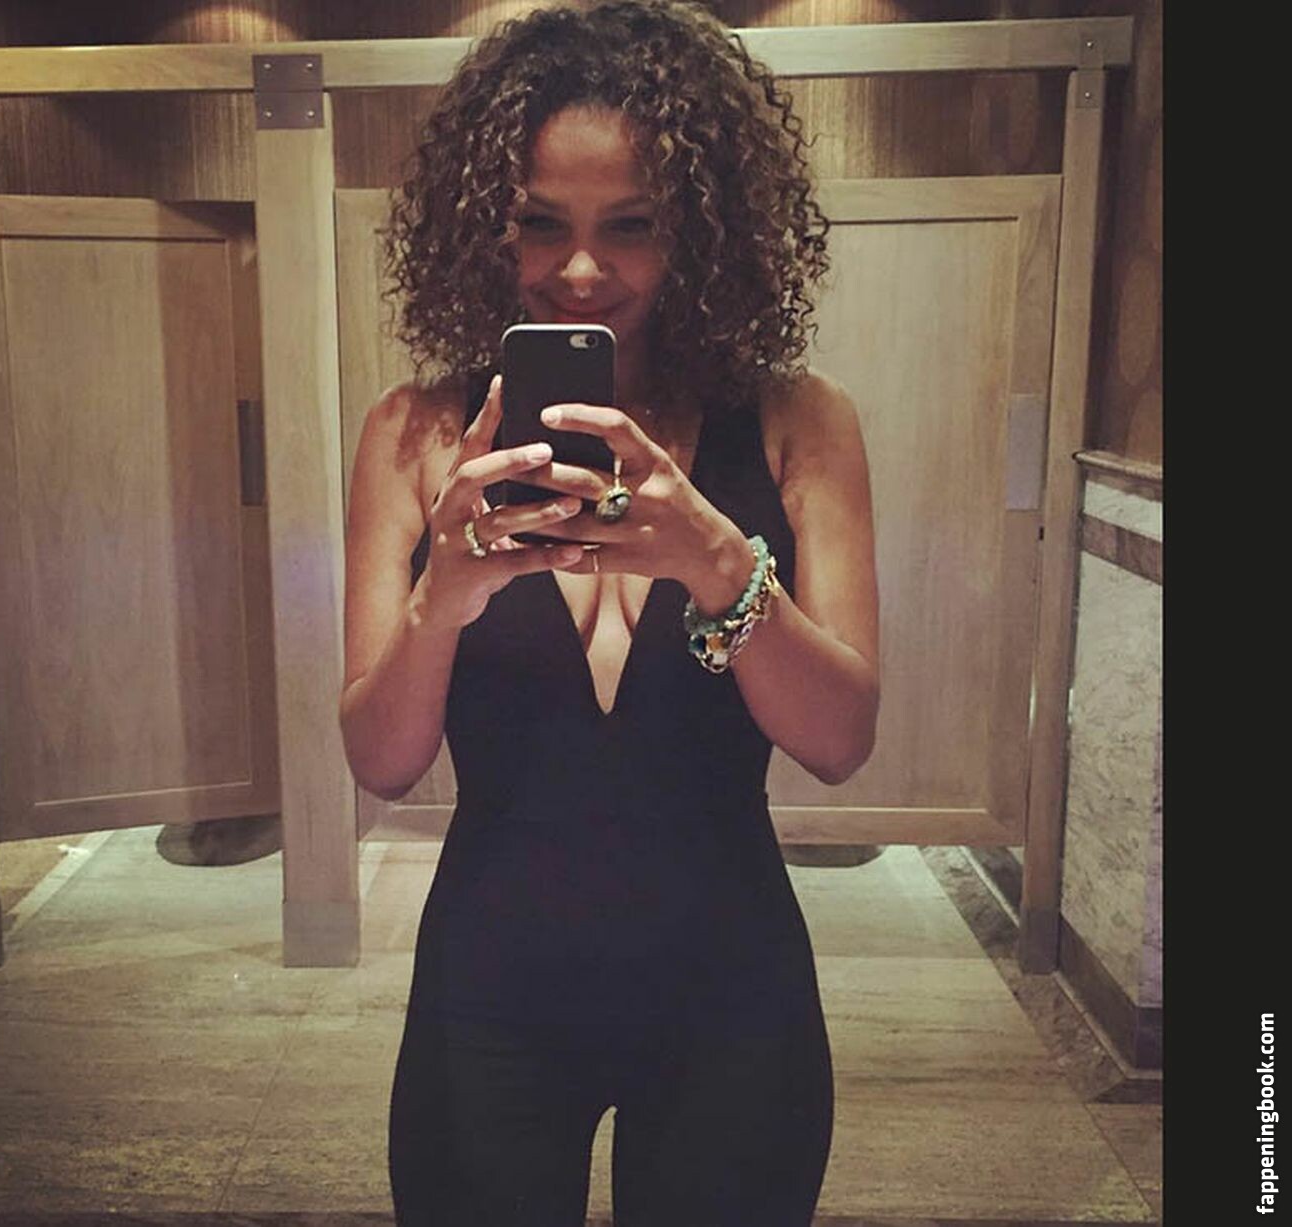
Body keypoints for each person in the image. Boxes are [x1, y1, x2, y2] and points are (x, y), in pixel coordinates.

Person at [339, 2, 879, 1222]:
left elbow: (839, 740)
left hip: (730, 994)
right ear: (483, 227)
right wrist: (441, 600)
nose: (580, 271)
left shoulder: (796, 425)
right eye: (540, 223)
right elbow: (380, 758)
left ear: (701, 230)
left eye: (631, 226)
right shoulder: (415, 436)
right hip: (489, 989)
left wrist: (719, 562)